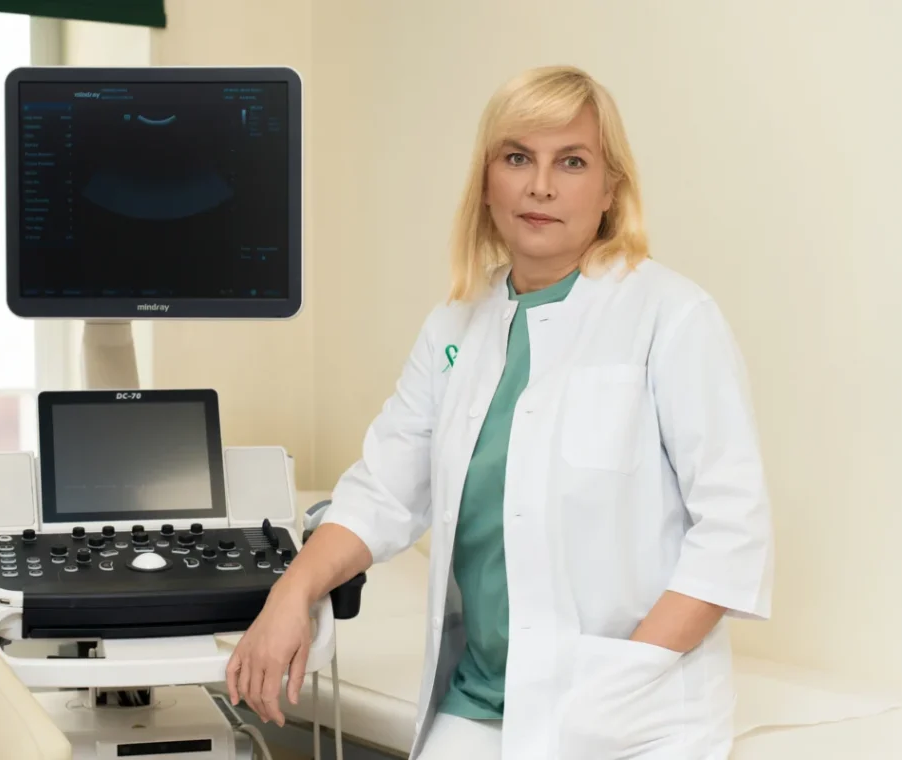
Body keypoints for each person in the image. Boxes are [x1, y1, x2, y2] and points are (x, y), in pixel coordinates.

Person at [225, 64, 774, 760]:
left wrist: (621, 680)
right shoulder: (455, 325)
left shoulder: (671, 315)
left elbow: (733, 532)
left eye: (571, 162)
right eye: (517, 158)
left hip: (634, 712)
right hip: (485, 700)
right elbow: (383, 491)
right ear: (487, 183)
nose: (540, 186)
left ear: (611, 189)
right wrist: (290, 593)